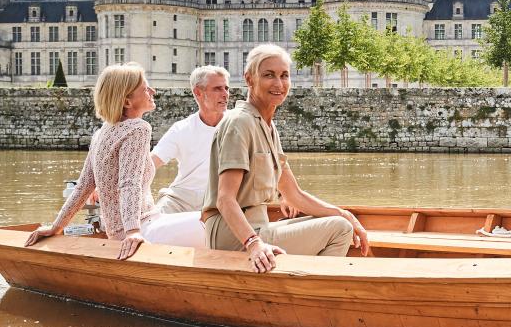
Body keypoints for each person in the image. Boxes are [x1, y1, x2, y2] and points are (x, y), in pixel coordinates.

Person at [202, 44, 369, 272]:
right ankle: (310, 294)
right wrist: (254, 244)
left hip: (258, 227)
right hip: (233, 234)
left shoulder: (267, 127)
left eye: (284, 75)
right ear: (249, 79)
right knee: (339, 229)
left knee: (341, 221)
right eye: (269, 75)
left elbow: (294, 195)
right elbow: (224, 199)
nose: (279, 84)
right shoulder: (240, 123)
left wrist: (345, 213)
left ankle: (300, 287)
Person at [25, 63, 205, 259]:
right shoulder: (137, 128)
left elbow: (83, 186)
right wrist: (133, 232)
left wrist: (56, 226)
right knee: (217, 222)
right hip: (144, 228)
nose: (152, 91)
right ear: (127, 101)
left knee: (210, 217)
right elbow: (129, 183)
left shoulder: (101, 133)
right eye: (145, 88)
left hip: (128, 229)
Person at [151, 65, 229, 214]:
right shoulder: (181, 129)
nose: (225, 94)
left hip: (220, 199)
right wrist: (108, 185)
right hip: (181, 199)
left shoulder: (238, 124)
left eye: (226, 88)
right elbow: (151, 163)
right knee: (152, 221)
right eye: (218, 89)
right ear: (198, 93)